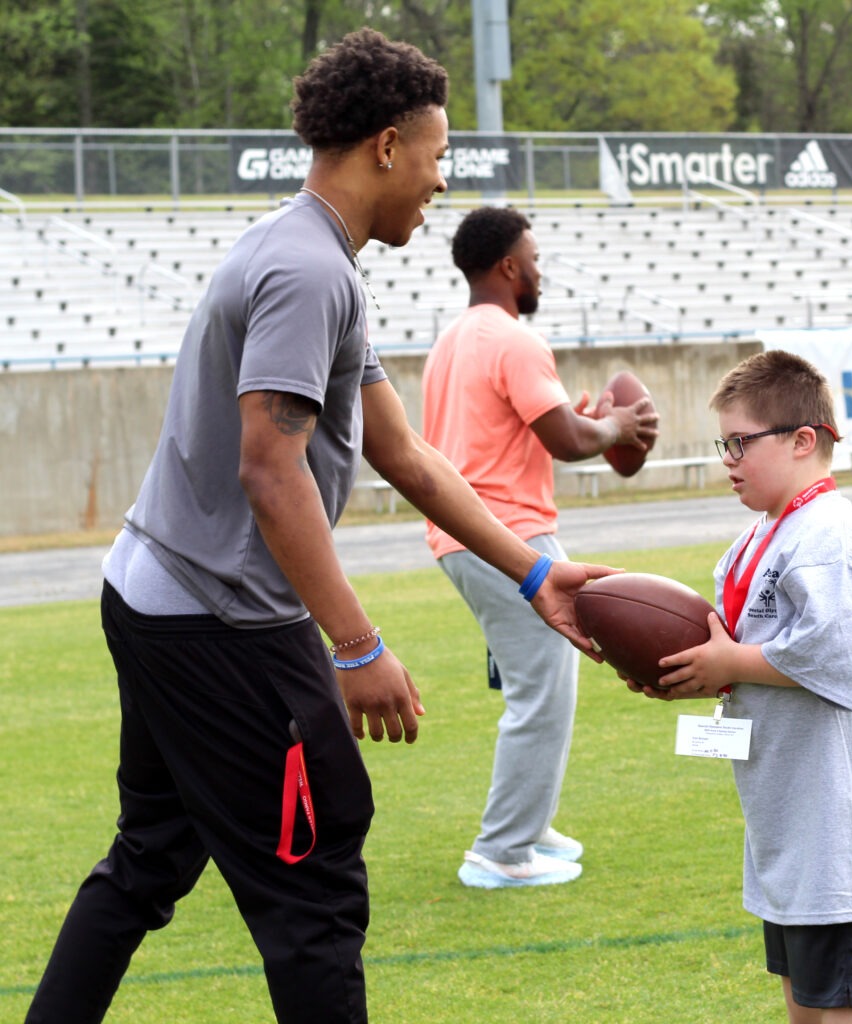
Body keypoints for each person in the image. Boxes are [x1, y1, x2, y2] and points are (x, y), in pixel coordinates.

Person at [25, 30, 618, 1024]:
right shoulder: (310, 272)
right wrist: (357, 645)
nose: (438, 185)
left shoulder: (310, 257)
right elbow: (271, 467)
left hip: (161, 594)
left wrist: (533, 575)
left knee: (150, 858)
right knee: (315, 875)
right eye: (433, 158)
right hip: (213, 616)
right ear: (386, 146)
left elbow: (408, 456)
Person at [630, 349, 852, 1022]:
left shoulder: (829, 538)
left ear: (802, 440)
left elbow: (832, 656)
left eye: (741, 442)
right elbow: (738, 649)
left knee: (846, 1001)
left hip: (843, 817)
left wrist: (730, 664)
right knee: (803, 993)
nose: (728, 458)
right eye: (724, 443)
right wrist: (690, 672)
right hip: (793, 809)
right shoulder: (760, 537)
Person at [421, 207, 659, 889]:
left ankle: (529, 823)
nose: (540, 269)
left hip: (465, 533)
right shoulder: (516, 339)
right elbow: (568, 442)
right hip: (509, 535)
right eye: (533, 256)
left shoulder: (453, 340)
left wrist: (586, 425)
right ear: (507, 266)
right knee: (543, 692)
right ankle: (501, 852)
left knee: (540, 684)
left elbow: (523, 434)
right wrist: (615, 424)